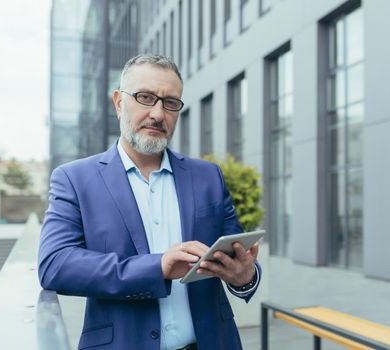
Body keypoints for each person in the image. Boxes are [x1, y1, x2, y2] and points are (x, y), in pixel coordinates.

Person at [38, 54, 261, 350]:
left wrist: (244, 276)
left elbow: (234, 253)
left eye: (170, 103)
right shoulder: (75, 179)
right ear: (119, 102)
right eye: (146, 97)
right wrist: (158, 267)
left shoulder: (208, 176)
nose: (158, 113)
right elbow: (55, 265)